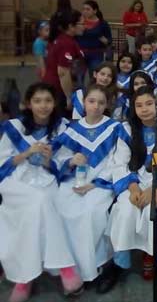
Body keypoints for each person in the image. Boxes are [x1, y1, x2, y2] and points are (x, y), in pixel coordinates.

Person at [0, 83, 83, 302]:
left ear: (54, 103)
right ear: (28, 104)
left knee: (43, 201)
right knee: (40, 201)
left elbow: (63, 162)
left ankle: (24, 278)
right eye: (37, 101)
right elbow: (3, 162)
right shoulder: (14, 126)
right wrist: (27, 153)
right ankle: (66, 268)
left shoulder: (62, 128)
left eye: (47, 100)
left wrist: (47, 160)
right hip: (16, 178)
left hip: (46, 177)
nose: (43, 106)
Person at [105, 86, 157, 293]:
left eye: (149, 103)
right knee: (126, 209)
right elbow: (120, 163)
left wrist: (153, 189)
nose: (144, 109)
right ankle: (119, 261)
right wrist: (133, 188)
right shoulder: (127, 129)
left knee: (154, 211)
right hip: (133, 180)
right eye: (139, 105)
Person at [52, 85, 121, 285]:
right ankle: (68, 266)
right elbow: (59, 157)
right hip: (74, 179)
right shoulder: (73, 129)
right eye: (91, 101)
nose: (96, 106)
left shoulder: (114, 128)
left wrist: (96, 183)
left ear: (107, 105)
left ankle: (93, 264)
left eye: (101, 102)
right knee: (61, 206)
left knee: (91, 212)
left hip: (102, 183)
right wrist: (71, 161)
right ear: (84, 103)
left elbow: (117, 160)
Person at [42, 9, 85, 111]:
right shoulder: (66, 43)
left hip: (54, 86)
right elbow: (63, 72)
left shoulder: (64, 39)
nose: (84, 27)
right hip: (58, 89)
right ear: (71, 26)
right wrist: (69, 97)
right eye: (82, 24)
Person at [77, 0, 112, 78]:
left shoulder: (103, 24)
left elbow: (109, 40)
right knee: (79, 77)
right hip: (80, 53)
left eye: (88, 9)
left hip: (96, 54)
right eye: (83, 9)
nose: (85, 11)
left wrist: (105, 41)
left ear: (95, 11)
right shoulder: (79, 22)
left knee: (95, 76)